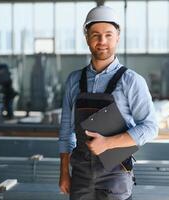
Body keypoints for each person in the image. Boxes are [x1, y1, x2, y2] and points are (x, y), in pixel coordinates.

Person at [58, 5, 158, 200]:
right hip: (81, 176)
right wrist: (63, 172)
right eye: (95, 35)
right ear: (87, 37)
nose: (102, 41)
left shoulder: (131, 81)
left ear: (118, 37)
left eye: (108, 35)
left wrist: (108, 143)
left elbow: (151, 127)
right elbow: (65, 132)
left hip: (116, 176)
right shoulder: (74, 81)